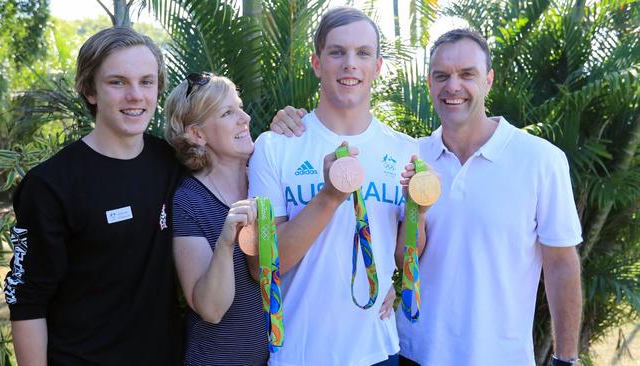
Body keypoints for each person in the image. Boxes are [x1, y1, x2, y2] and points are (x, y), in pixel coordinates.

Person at [271, 28, 583, 366]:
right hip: (411, 353)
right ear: (429, 84)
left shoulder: (540, 159)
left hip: (500, 357)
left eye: (467, 74)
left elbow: (561, 264)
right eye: (441, 76)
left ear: (489, 80)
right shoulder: (408, 155)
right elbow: (395, 248)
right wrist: (295, 121)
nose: (453, 86)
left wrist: (565, 358)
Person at [248, 7, 421, 366]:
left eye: (363, 53)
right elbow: (263, 267)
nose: (350, 64)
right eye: (337, 52)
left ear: (378, 67)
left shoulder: (404, 150)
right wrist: (329, 197)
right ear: (316, 62)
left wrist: (420, 212)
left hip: (379, 350)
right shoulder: (276, 146)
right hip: (298, 353)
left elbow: (408, 255)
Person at [2, 27, 183, 365]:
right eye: (118, 82)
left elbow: (232, 156)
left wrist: (284, 127)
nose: (135, 95)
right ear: (89, 90)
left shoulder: (172, 162)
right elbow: (28, 301)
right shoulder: (50, 186)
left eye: (146, 82)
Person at [164, 72, 268, 365]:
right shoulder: (189, 200)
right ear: (197, 134)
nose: (244, 118)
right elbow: (210, 309)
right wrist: (225, 243)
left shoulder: (266, 181)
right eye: (227, 112)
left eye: (240, 106)